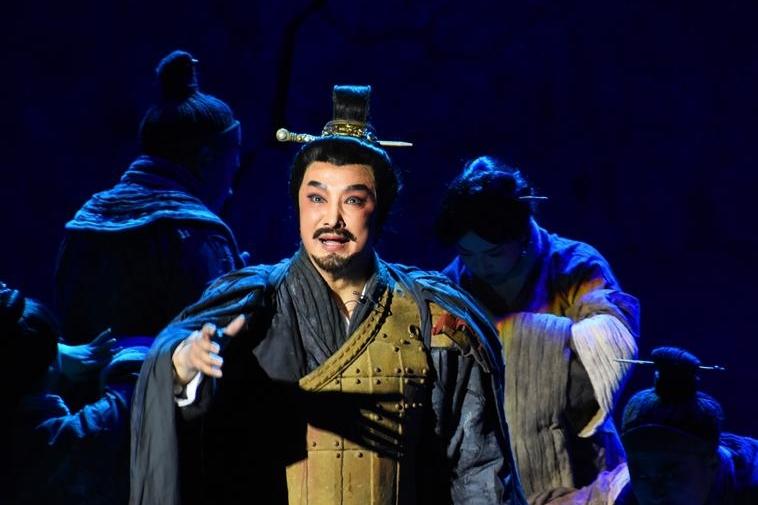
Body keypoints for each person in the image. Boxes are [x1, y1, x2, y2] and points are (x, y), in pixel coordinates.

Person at [130, 85, 525, 505]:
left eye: (353, 200)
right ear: (298, 205)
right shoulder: (250, 305)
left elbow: (478, 467)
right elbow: (196, 435)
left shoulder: (431, 316)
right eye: (317, 197)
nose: (332, 218)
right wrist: (182, 366)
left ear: (380, 210)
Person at [436, 156, 640, 503]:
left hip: (581, 468)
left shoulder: (575, 266)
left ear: (522, 236)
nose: (480, 265)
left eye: (493, 253)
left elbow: (609, 348)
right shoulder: (452, 287)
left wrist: (518, 349)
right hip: (489, 472)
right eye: (468, 253)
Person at [55, 49, 245, 350]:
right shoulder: (197, 236)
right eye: (230, 172)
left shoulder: (84, 224)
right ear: (206, 159)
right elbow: (217, 350)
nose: (230, 190)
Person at [544, 347, 758, 505]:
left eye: (671, 474)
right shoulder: (619, 493)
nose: (655, 492)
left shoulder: (750, 482)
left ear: (711, 461)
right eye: (642, 475)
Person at [2, 282, 148, 505]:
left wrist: (53, 350)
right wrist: (119, 361)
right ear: (50, 367)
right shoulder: (64, 442)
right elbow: (139, 381)